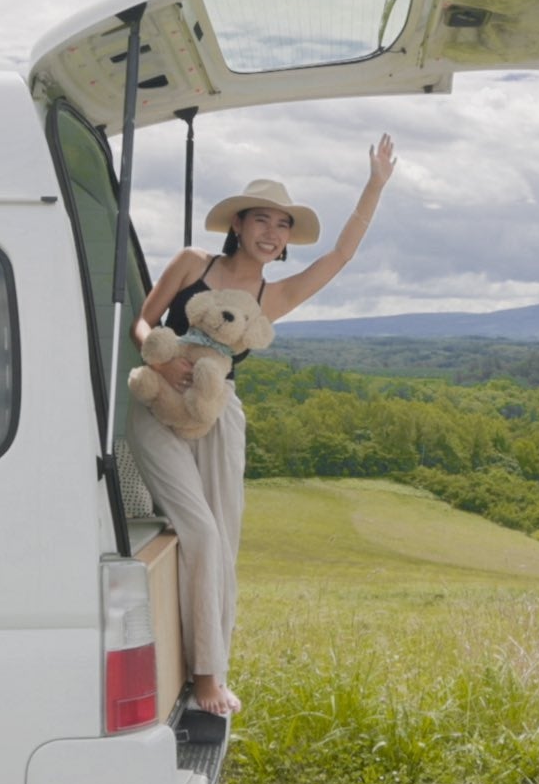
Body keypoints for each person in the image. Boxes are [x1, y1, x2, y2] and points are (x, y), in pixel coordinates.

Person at [130, 134, 397, 716]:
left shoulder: (273, 296)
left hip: (217, 415)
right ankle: (200, 677)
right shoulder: (192, 262)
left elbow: (340, 256)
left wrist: (374, 185)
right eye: (262, 219)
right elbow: (142, 322)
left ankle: (210, 671)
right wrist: (163, 359)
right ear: (238, 224)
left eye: (283, 225)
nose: (272, 232)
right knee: (198, 533)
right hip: (154, 403)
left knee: (220, 543)